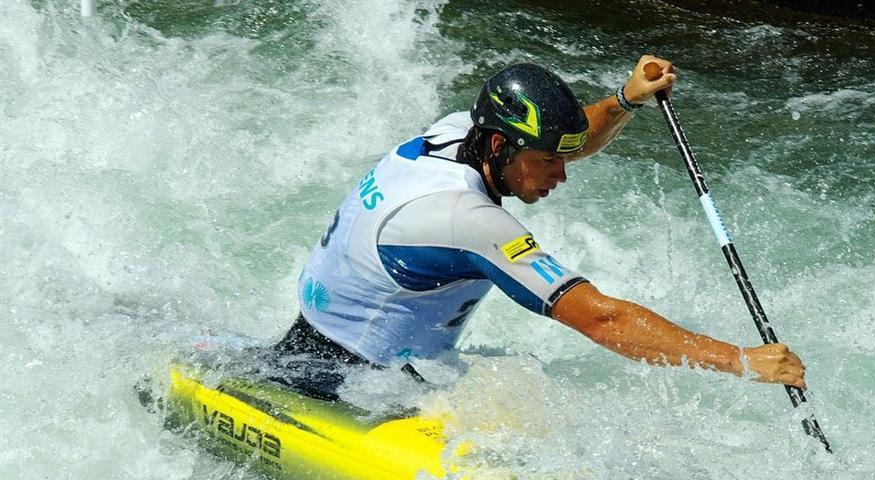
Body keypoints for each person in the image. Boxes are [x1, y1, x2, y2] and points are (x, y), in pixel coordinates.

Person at [273, 55, 806, 400]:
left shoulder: (459, 130)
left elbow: (570, 139)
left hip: (319, 341)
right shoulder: (468, 221)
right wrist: (739, 361)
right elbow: (603, 320)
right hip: (352, 387)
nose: (563, 175)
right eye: (549, 161)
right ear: (502, 147)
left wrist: (624, 99)